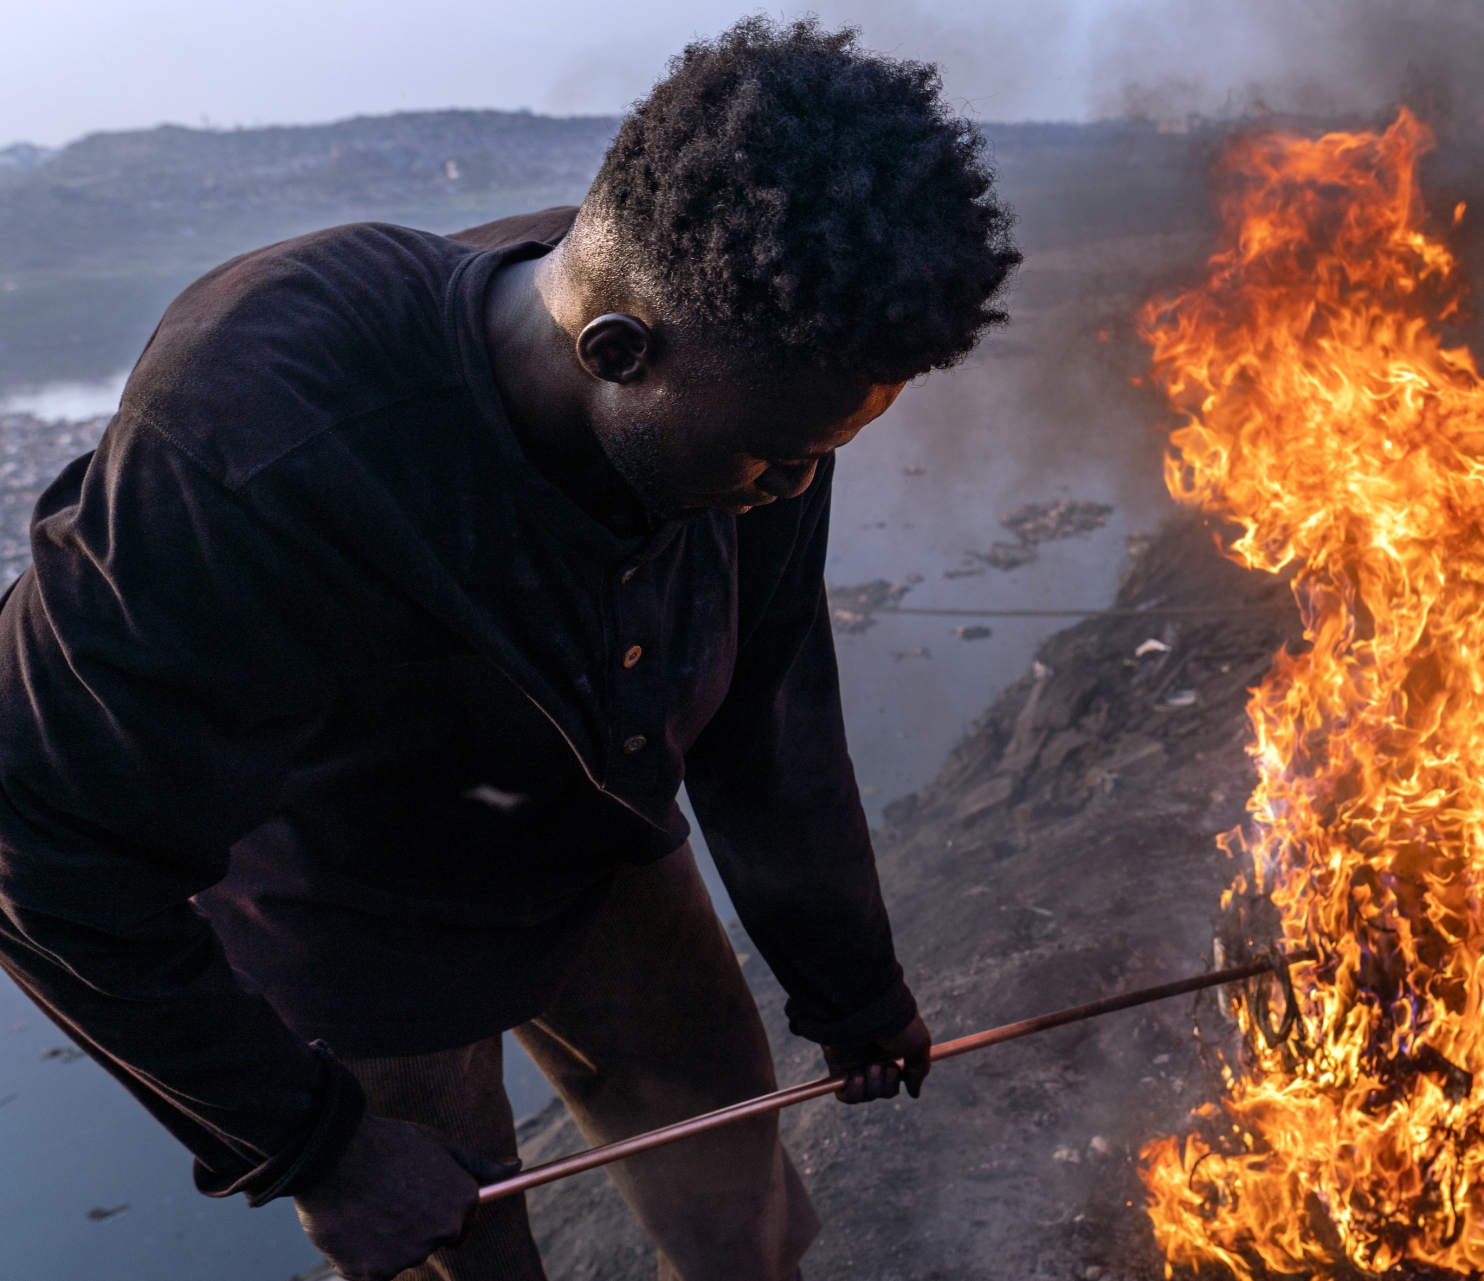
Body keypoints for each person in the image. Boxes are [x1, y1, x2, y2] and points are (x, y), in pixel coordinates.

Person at [0, 18, 1018, 1281]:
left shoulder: (757, 333)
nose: (794, 487)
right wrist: (316, 1149)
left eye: (826, 452)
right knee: (460, 1256)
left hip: (584, 830)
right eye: (774, 454)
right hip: (351, 909)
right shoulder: (257, 424)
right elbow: (45, 854)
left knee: (740, 1213)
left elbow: (770, 690)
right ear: (615, 353)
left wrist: (850, 988)